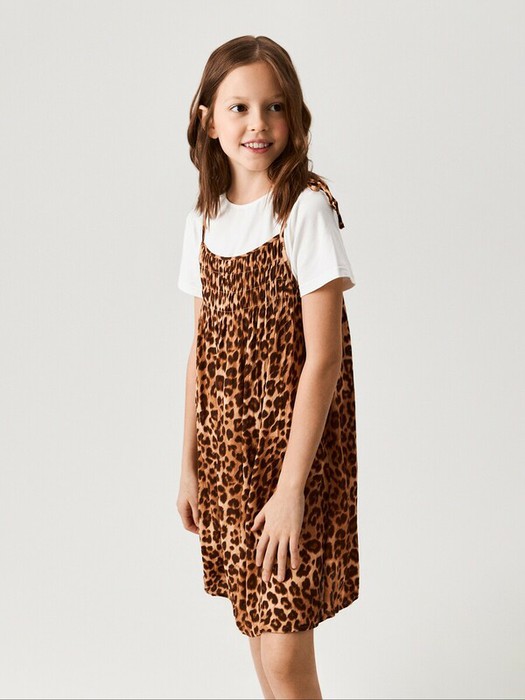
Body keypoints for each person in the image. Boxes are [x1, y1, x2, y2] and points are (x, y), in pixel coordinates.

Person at [176, 35, 359, 700]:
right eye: (240, 107)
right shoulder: (205, 219)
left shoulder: (304, 208)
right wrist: (189, 464)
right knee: (258, 639)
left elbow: (323, 360)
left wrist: (290, 491)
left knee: (284, 654)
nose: (258, 123)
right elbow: (200, 350)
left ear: (294, 115)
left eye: (274, 106)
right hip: (230, 461)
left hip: (294, 465)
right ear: (208, 120)